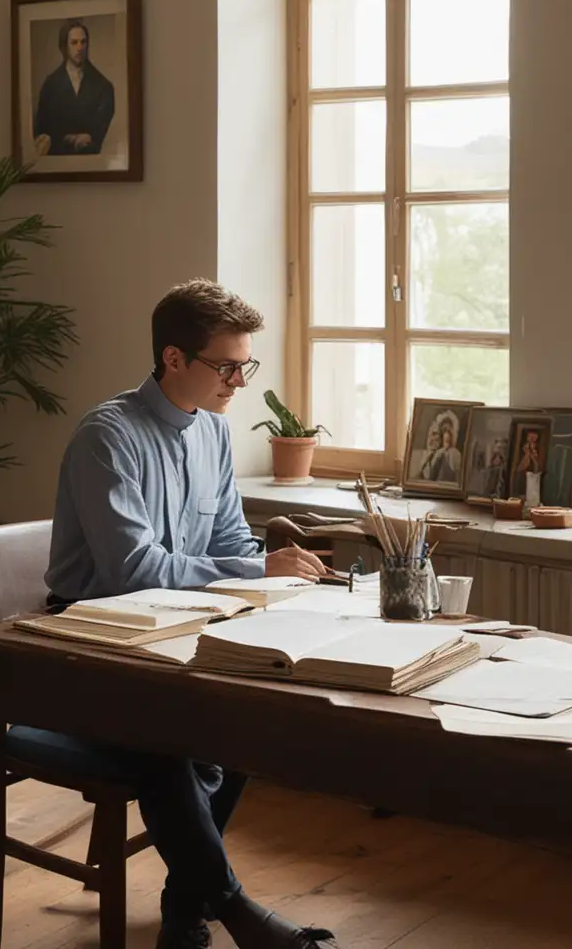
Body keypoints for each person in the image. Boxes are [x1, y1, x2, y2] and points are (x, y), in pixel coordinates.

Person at [45, 280, 338, 949]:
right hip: (87, 639)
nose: (239, 380)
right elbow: (133, 572)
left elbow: (230, 542)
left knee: (242, 723)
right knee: (168, 746)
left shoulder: (213, 431)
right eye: (226, 365)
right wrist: (251, 571)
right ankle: (230, 910)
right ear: (174, 359)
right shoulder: (106, 437)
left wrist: (275, 564)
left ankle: (187, 909)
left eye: (245, 366)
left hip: (180, 629)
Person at [33, 19, 115, 157]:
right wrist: (67, 139)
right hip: (57, 163)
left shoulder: (103, 86)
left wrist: (88, 138)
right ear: (64, 46)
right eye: (74, 42)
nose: (79, 48)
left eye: (83, 42)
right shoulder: (50, 85)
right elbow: (42, 127)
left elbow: (101, 128)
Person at [415, 409, 461, 483]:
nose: (446, 435)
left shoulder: (453, 454)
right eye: (442, 431)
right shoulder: (434, 455)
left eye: (448, 431)